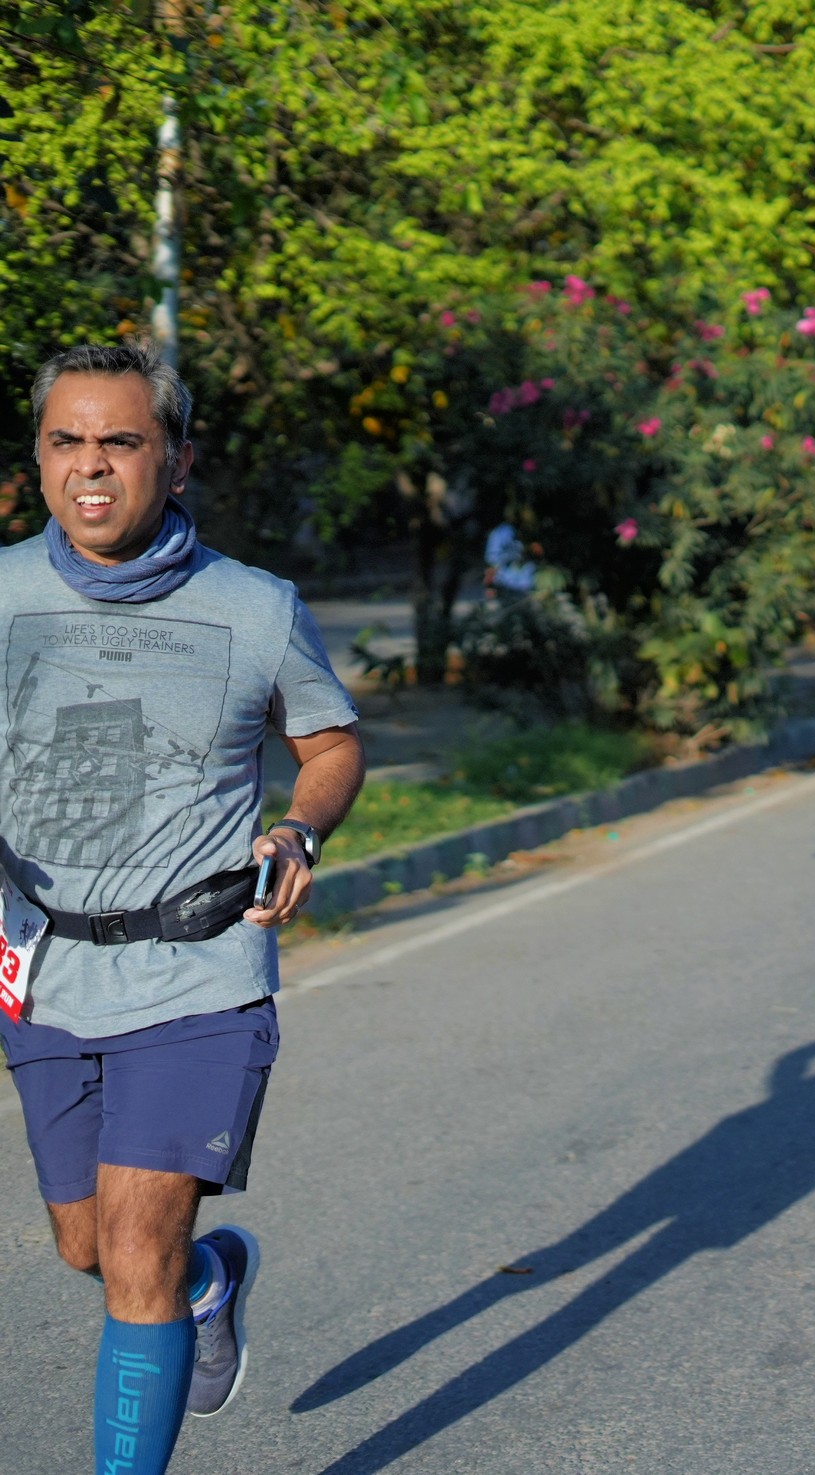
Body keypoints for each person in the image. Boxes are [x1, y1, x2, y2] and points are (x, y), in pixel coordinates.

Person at [3, 344, 366, 1472]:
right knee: (89, 1248)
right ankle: (208, 1283)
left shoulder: (255, 608)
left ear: (177, 459)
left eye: (121, 441)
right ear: (38, 458)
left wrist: (299, 829)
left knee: (135, 1253)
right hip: (45, 969)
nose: (91, 466)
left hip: (200, 970)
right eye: (66, 441)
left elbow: (331, 745)